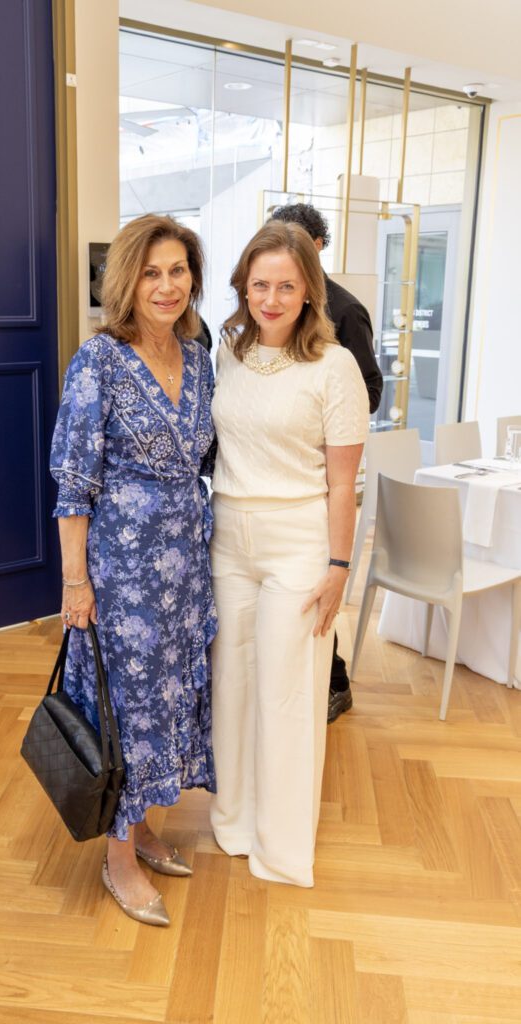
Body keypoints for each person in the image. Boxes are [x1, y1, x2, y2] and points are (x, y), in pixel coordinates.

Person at [50, 214, 217, 927]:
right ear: (127, 281)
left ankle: (142, 826)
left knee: (166, 702)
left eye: (177, 270)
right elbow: (73, 483)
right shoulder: (99, 361)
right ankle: (117, 859)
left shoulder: (199, 358)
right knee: (125, 710)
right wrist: (75, 582)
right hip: (121, 575)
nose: (166, 285)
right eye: (151, 272)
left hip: (185, 573)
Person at [209, 220, 368, 886]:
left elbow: (343, 485)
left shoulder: (334, 367)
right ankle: (234, 821)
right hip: (228, 536)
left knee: (287, 694)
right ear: (243, 287)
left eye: (285, 286)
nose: (270, 300)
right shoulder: (228, 352)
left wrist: (339, 568)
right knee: (232, 686)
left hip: (299, 542)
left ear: (309, 291)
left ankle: (281, 847)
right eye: (259, 285)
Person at [271, 202, 383, 723]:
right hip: (275, 478)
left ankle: (336, 683)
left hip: (319, 477)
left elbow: (370, 389)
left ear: (317, 246)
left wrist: (325, 419)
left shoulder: (345, 310)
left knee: (318, 590)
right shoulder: (268, 309)